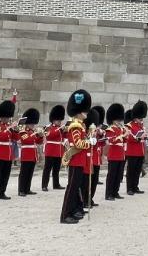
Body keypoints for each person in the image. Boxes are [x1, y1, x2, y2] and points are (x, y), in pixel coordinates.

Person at [59, 89, 93, 224]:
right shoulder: (75, 126)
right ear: (80, 112)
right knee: (71, 188)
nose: (86, 113)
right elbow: (78, 144)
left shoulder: (80, 125)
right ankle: (65, 215)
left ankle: (73, 211)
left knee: (75, 187)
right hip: (75, 161)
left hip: (80, 161)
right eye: (85, 110)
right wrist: (89, 142)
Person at [0, 99, 19, 202]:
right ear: (1, 116)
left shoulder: (7, 126)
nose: (7, 119)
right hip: (0, 152)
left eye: (8, 117)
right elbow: (0, 136)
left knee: (6, 174)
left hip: (8, 153)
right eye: (5, 117)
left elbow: (16, 138)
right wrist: (9, 127)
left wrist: (15, 129)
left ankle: (1, 193)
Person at [17, 108, 43, 197]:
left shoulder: (32, 131)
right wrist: (35, 134)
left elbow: (39, 142)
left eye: (33, 123)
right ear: (27, 123)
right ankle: (21, 190)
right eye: (31, 123)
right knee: (24, 173)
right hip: (26, 154)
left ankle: (27, 189)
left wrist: (40, 136)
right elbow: (27, 140)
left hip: (33, 154)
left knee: (30, 172)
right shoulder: (23, 131)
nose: (33, 125)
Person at [41, 104, 66, 192]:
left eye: (60, 120)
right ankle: (44, 185)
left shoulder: (60, 128)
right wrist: (59, 129)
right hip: (51, 150)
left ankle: (56, 184)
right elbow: (50, 135)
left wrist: (65, 130)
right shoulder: (48, 127)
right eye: (57, 120)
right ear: (53, 120)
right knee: (47, 169)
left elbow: (65, 136)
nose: (59, 121)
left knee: (56, 169)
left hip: (58, 151)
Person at [125, 100, 148, 195]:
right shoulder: (129, 125)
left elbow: (143, 138)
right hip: (132, 151)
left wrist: (145, 135)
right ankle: (129, 188)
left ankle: (135, 187)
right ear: (135, 118)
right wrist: (138, 138)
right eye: (140, 118)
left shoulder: (141, 126)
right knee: (131, 171)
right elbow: (128, 137)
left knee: (137, 171)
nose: (141, 120)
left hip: (140, 151)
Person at [104, 103, 126, 200]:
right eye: (117, 120)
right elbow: (112, 140)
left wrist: (126, 135)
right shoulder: (110, 129)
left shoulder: (121, 129)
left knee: (118, 175)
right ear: (113, 119)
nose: (119, 121)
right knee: (112, 175)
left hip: (121, 154)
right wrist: (122, 136)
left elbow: (124, 141)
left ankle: (115, 192)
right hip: (113, 154)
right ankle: (108, 194)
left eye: (119, 119)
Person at [89, 105, 106, 204]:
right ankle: (86, 199)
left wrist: (102, 135)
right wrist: (95, 134)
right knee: (89, 181)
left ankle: (90, 199)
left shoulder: (99, 131)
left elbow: (102, 143)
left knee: (94, 181)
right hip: (91, 158)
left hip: (97, 158)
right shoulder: (90, 130)